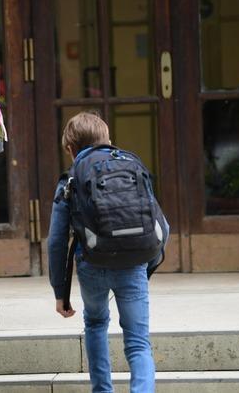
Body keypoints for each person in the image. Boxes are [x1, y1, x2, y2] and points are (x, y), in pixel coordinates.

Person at [47, 112, 168, 392]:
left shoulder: (70, 179)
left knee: (96, 322)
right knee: (138, 341)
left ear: (70, 149)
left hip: (92, 264)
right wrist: (145, 265)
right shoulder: (131, 166)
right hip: (133, 265)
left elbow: (55, 240)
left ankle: (102, 390)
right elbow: (163, 226)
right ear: (109, 140)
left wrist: (59, 292)